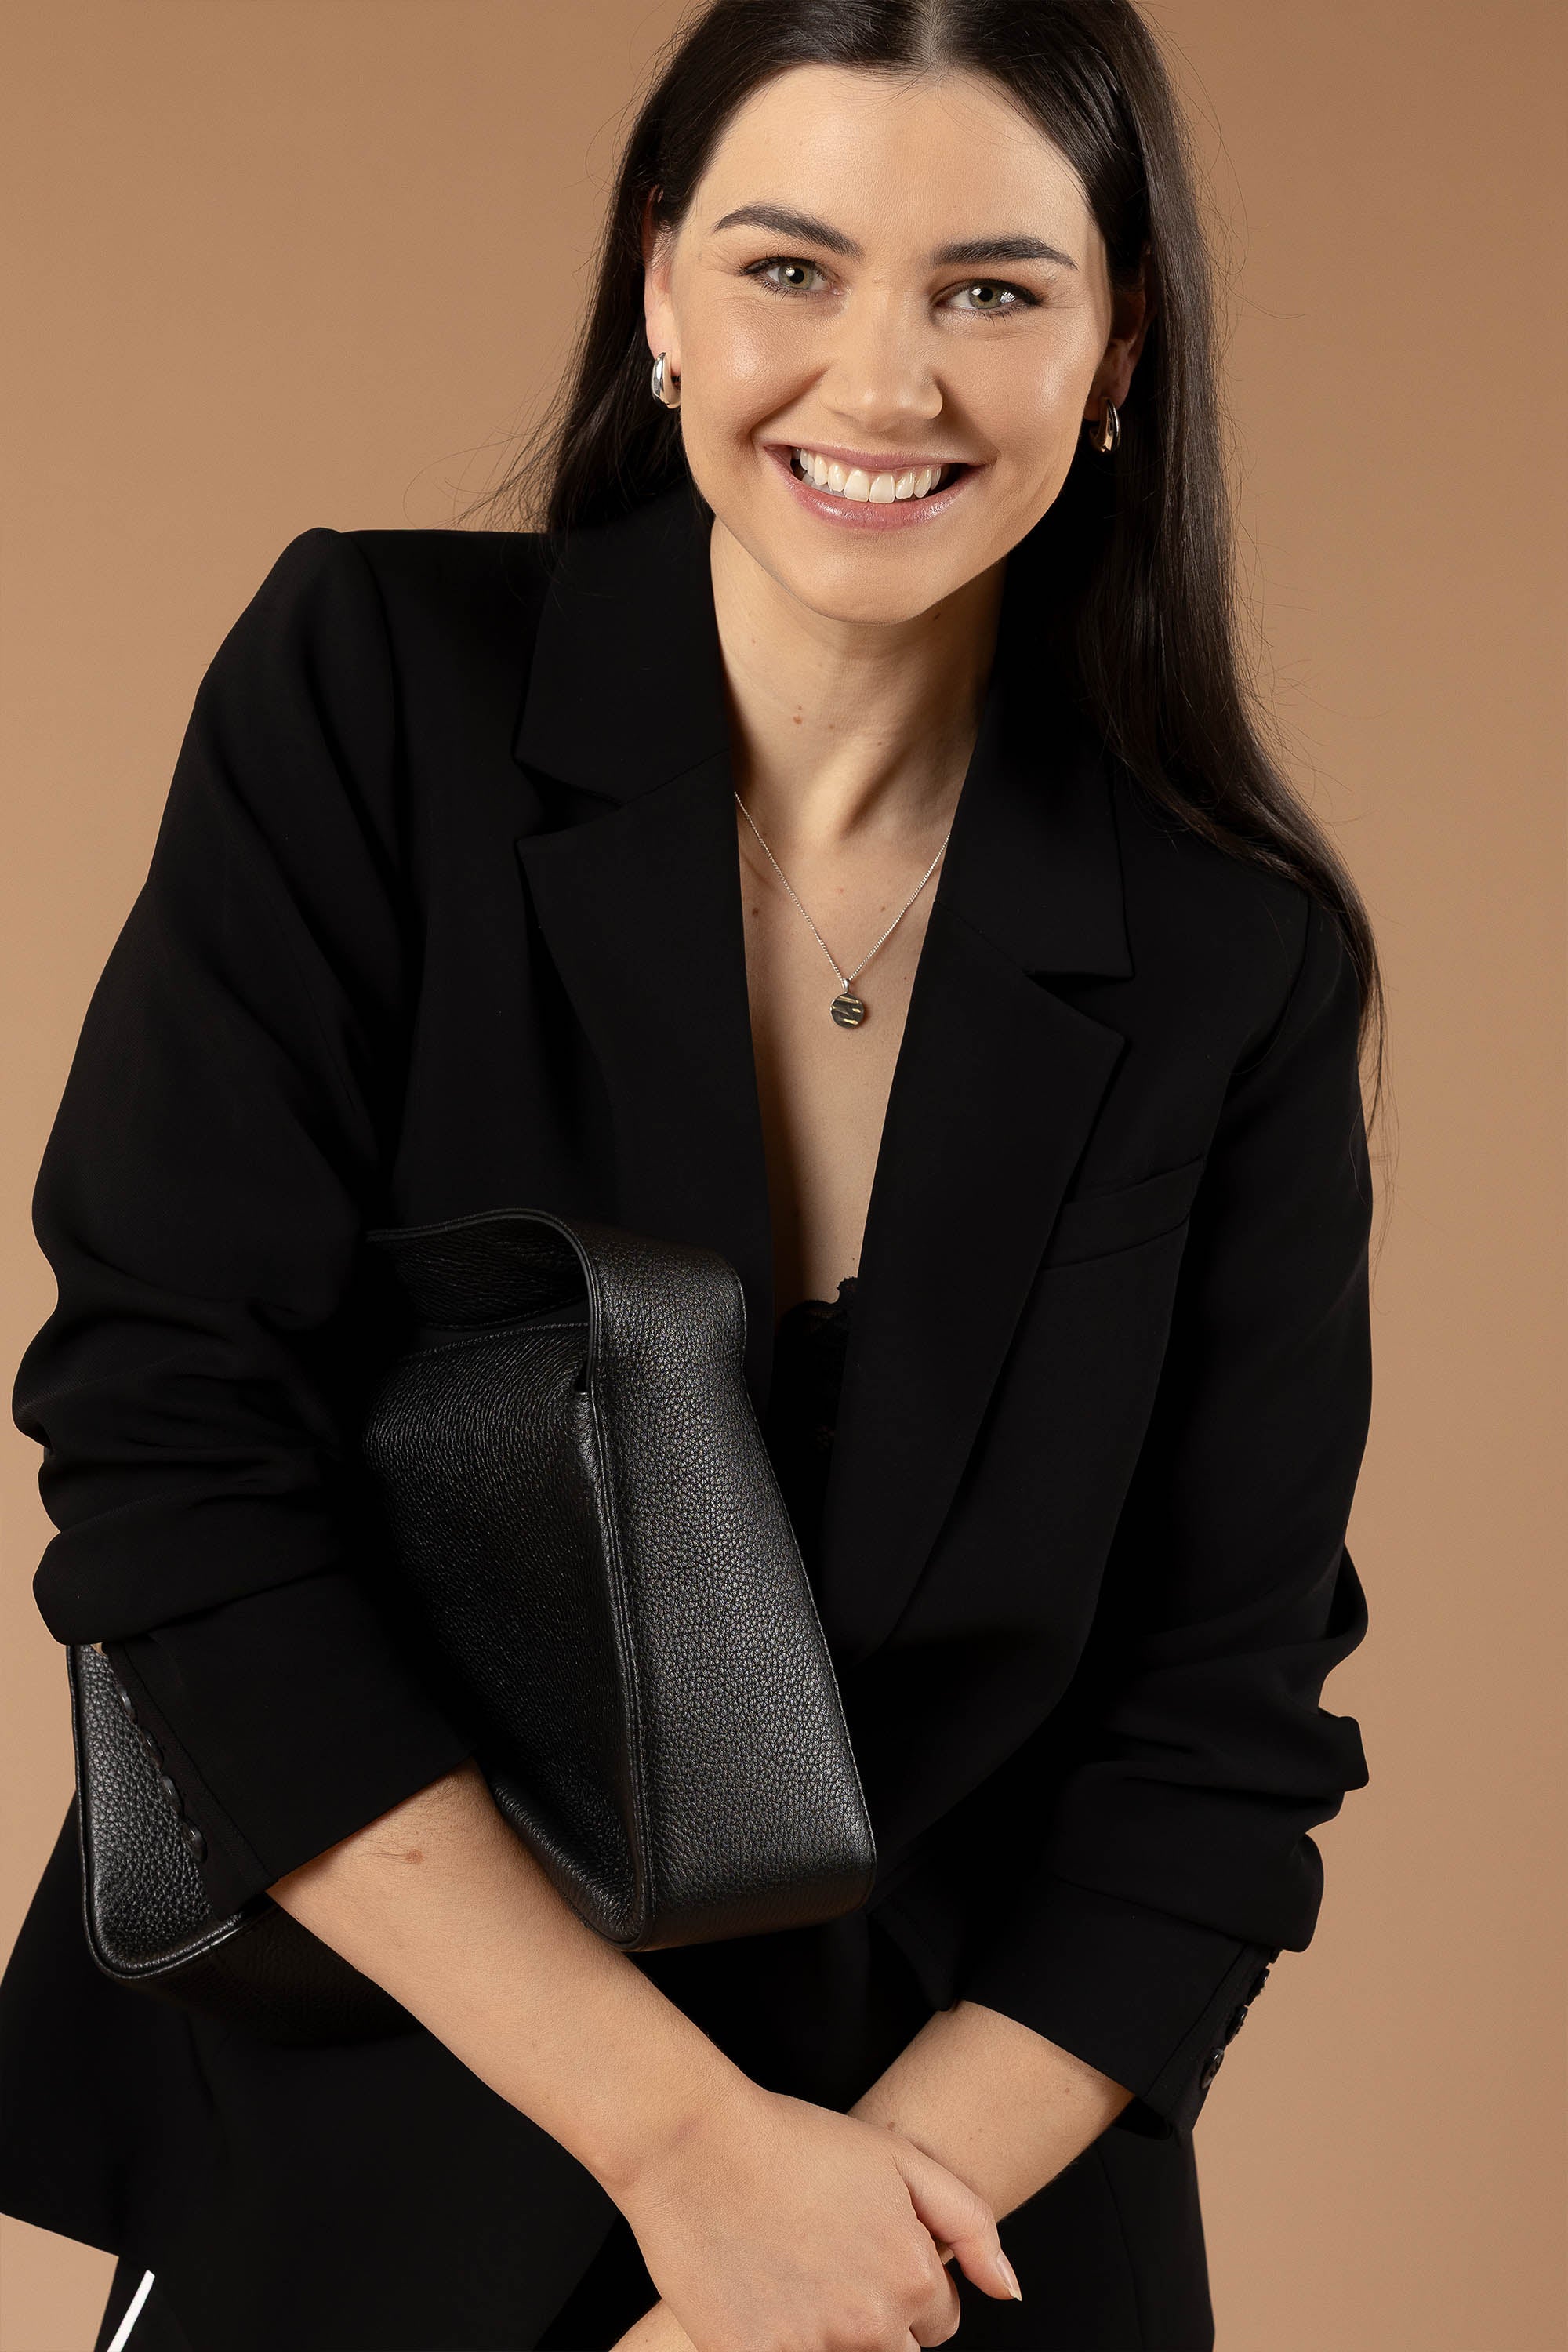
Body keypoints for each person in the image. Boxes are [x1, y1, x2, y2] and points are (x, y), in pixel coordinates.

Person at [1, 2, 1381, 2347]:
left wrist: (832, 2262)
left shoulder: (1232, 950)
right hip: (376, 2152)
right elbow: (171, 1466)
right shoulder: (371, 691)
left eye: (991, 290)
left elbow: (1218, 1737)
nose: (883, 382)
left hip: (959, 2230)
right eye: (789, 266)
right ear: (658, 290)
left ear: (1117, 345)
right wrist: (685, 2152)